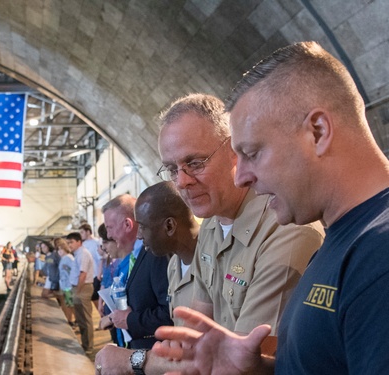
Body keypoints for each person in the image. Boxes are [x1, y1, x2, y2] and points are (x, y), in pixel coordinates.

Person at [154, 41, 389, 374]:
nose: (244, 176)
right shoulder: (347, 239)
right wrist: (258, 368)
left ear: (318, 132)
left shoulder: (380, 255)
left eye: (252, 153)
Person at [96, 181, 201, 374]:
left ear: (169, 225)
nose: (140, 234)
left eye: (142, 227)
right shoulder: (172, 265)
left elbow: (170, 318)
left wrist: (132, 320)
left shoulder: (166, 256)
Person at [102, 194, 173, 350]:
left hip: (157, 352)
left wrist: (130, 319)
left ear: (127, 225)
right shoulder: (136, 255)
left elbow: (170, 313)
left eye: (109, 228)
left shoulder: (156, 254)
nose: (108, 235)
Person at [66, 232, 95, 355]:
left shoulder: (83, 254)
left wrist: (77, 291)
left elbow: (83, 274)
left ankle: (88, 347)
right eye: (68, 243)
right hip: (78, 288)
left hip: (82, 288)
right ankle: (85, 344)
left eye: (71, 242)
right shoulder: (77, 254)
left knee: (85, 318)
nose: (69, 245)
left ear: (79, 242)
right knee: (81, 319)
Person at [54, 237, 77, 326]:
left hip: (69, 285)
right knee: (68, 304)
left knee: (71, 304)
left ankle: (76, 320)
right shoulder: (63, 259)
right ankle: (70, 319)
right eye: (58, 250)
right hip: (65, 285)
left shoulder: (69, 258)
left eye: (61, 250)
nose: (59, 252)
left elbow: (74, 271)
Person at [79, 223, 102, 311]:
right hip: (86, 275)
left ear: (88, 232)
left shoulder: (96, 243)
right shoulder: (82, 245)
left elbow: (100, 259)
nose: (81, 235)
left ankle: (102, 315)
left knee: (95, 298)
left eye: (82, 232)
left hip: (95, 274)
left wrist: (99, 273)